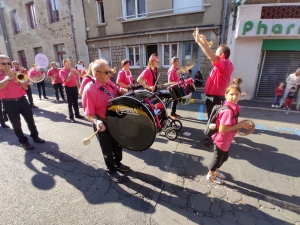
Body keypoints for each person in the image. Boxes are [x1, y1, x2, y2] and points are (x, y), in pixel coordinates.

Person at [82, 59, 129, 182]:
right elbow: (89, 114)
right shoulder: (89, 90)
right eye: (106, 72)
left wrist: (121, 90)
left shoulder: (109, 82)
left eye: (110, 71)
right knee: (107, 149)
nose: (110, 74)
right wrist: (96, 122)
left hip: (115, 120)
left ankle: (118, 163)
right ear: (96, 74)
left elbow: (117, 89)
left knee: (118, 145)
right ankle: (112, 170)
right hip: (102, 122)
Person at [206, 83, 253, 184]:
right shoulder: (229, 111)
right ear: (226, 95)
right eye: (231, 94)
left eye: (237, 94)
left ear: (240, 95)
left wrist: (241, 125)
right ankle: (211, 175)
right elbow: (222, 129)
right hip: (221, 139)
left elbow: (231, 123)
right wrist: (239, 126)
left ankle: (216, 171)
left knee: (224, 157)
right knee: (217, 159)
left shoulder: (233, 107)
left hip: (226, 139)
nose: (234, 97)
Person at [194, 27, 234, 147]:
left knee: (213, 120)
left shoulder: (225, 64)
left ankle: (211, 141)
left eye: (217, 52)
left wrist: (199, 42)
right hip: (214, 97)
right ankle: (213, 138)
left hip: (216, 98)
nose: (215, 53)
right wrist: (204, 43)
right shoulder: (223, 64)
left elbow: (212, 56)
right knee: (212, 119)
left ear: (222, 55)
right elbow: (212, 54)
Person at [0, 55, 45, 150]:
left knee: (31, 121)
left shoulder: (16, 73)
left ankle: (35, 137)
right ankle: (23, 141)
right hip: (9, 103)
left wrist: (18, 78)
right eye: (4, 63)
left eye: (8, 63)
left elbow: (26, 87)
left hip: (22, 100)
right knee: (16, 125)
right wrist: (8, 78)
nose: (7, 65)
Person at [59, 58, 84, 123]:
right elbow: (66, 80)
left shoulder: (72, 70)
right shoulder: (62, 71)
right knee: (70, 103)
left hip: (74, 87)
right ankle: (71, 117)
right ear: (64, 63)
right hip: (67, 88)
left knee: (75, 102)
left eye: (69, 63)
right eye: (67, 63)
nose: (69, 64)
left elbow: (77, 78)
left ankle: (77, 114)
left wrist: (78, 86)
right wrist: (71, 73)